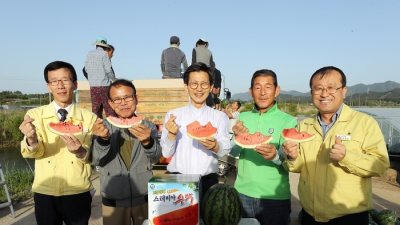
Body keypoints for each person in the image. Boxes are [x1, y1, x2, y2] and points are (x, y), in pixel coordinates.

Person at [282, 66, 390, 224]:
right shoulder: (304, 126)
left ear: (344, 91)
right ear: (312, 92)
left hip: (349, 216)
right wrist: (292, 157)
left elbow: (381, 165)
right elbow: (297, 167)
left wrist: (347, 157)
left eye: (331, 87)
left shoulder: (365, 123)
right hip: (310, 215)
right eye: (318, 88)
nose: (324, 93)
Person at [18, 61, 97, 225]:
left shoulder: (89, 118)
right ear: (49, 86)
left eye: (65, 80)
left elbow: (94, 157)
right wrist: (31, 140)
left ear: (75, 84)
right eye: (54, 81)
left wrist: (80, 152)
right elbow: (34, 152)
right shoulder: (35, 115)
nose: (60, 86)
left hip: (77, 190)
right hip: (45, 191)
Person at [230, 69, 297, 225]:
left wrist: (275, 156)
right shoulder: (243, 116)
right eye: (257, 87)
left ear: (277, 90)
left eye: (268, 87)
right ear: (251, 91)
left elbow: (290, 160)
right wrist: (237, 138)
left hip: (275, 197)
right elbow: (233, 152)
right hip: (242, 193)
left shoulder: (288, 121)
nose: (262, 92)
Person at [91, 79, 162, 225]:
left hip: (144, 198)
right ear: (110, 103)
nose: (123, 103)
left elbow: (156, 158)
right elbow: (96, 161)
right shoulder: (102, 127)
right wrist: (103, 140)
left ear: (136, 99)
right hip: (113, 200)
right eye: (117, 99)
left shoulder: (148, 126)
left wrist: (147, 142)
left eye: (127, 97)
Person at [160, 62, 230, 198]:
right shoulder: (173, 115)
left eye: (204, 84)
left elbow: (226, 148)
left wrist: (216, 146)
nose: (199, 89)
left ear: (210, 87)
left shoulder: (219, 116)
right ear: (186, 86)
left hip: (208, 182)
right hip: (178, 181)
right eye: (194, 84)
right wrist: (172, 135)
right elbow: (166, 152)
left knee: (209, 219)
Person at [84, 36, 116, 118]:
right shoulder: (104, 54)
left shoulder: (89, 54)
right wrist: (114, 79)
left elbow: (86, 69)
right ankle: (112, 127)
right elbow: (108, 69)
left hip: (93, 86)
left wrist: (92, 78)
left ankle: (96, 127)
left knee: (95, 109)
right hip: (104, 85)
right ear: (104, 46)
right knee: (108, 108)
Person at [191, 38, 215, 108]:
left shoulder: (195, 49)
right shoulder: (209, 52)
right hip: (207, 74)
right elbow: (211, 66)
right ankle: (209, 105)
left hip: (198, 72)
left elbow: (193, 62)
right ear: (205, 44)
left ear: (198, 44)